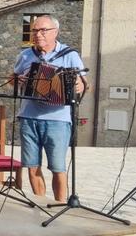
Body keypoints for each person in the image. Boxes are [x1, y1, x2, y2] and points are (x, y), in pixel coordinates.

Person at [14, 14, 87, 202]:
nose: (38, 34)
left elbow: (84, 82)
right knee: (31, 165)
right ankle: (41, 203)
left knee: (58, 167)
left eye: (43, 30)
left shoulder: (70, 55)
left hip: (58, 119)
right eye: (35, 30)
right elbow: (11, 80)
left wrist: (81, 85)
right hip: (29, 117)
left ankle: (59, 205)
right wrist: (17, 80)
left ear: (56, 32)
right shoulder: (25, 55)